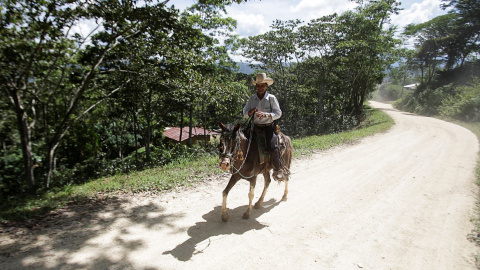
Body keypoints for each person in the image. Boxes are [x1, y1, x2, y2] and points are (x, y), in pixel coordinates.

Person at [243, 73, 284, 179]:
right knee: (241, 142)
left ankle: (278, 168)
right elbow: (244, 113)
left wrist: (267, 115)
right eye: (258, 85)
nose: (260, 88)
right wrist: (250, 112)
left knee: (272, 146)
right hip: (254, 127)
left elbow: (278, 113)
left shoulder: (271, 98)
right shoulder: (252, 99)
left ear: (266, 86)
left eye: (262, 86)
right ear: (256, 86)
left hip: (268, 127)